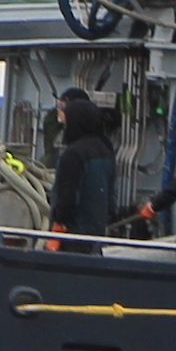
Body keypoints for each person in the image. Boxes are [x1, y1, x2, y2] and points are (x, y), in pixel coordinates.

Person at [46, 86, 117, 246]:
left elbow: (68, 197)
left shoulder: (73, 154)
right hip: (96, 236)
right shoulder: (105, 150)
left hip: (73, 237)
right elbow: (111, 198)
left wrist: (59, 225)